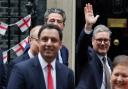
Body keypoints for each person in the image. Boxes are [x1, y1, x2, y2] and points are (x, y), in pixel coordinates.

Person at [7, 24, 74, 89]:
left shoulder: (67, 74)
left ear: (60, 45)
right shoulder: (21, 70)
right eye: (45, 39)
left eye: (53, 40)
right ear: (38, 42)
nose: (49, 43)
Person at [76, 3, 112, 89]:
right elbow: (81, 46)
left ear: (110, 42)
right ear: (92, 41)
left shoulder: (109, 62)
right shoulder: (87, 56)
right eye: (99, 40)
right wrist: (88, 26)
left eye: (106, 40)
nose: (103, 43)